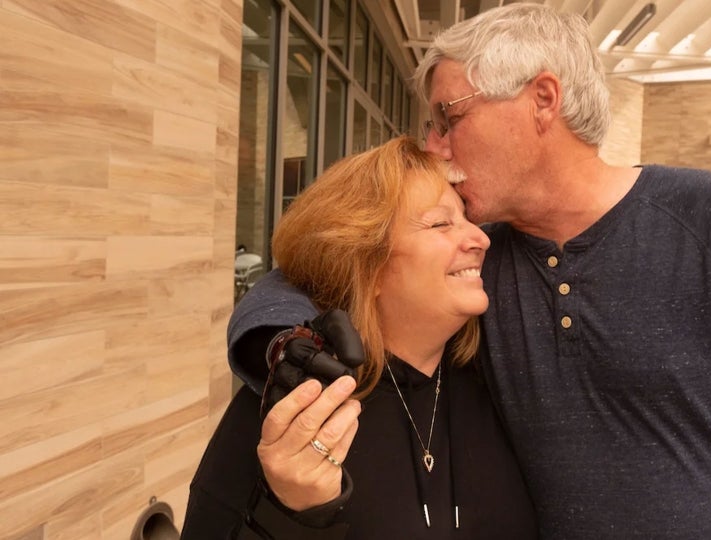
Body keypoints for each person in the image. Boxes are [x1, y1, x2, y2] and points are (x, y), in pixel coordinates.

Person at [226, 3, 711, 539]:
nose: (435, 146)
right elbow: (309, 269)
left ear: (543, 100)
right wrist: (284, 345)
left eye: (449, 117)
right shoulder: (476, 262)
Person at [181, 137, 537, 538]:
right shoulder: (300, 406)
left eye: (468, 220)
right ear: (367, 262)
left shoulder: (497, 380)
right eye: (440, 223)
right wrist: (295, 512)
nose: (481, 239)